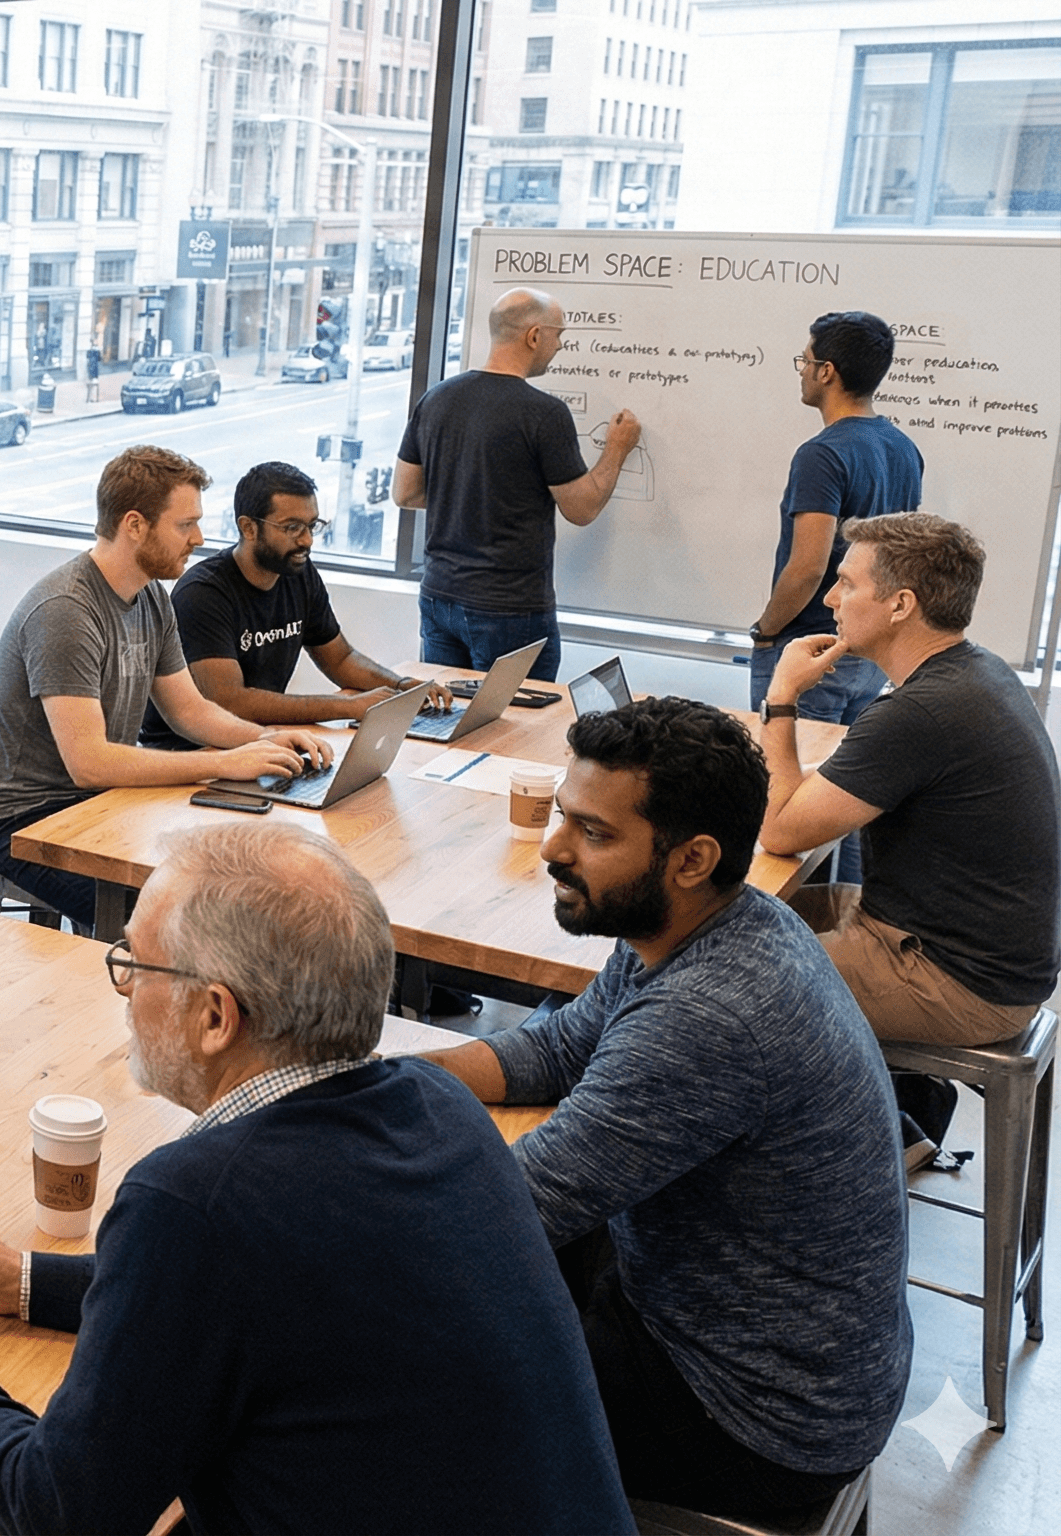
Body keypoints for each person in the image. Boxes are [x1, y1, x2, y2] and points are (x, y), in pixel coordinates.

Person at [0, 822, 633, 1535]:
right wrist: (25, 1279)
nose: (125, 985)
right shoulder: (438, 1103)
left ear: (214, 1017)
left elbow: (61, 1508)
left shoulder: (193, 1201)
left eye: (135, 962)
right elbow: (256, 1297)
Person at [424, 697, 910, 1517]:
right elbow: (557, 1048)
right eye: (562, 817)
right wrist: (376, 1082)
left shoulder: (710, 1017)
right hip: (762, 1344)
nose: (553, 848)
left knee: (373, 1394)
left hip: (749, 1419)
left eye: (594, 834)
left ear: (690, 859)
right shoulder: (705, 922)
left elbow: (502, 1213)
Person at [755, 513, 1059, 1148]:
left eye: (846, 584)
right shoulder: (976, 673)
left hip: (953, 980)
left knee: (719, 981)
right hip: (971, 951)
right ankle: (893, 1123)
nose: (831, 599)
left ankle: (839, 1153)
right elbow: (838, 787)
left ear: (900, 604)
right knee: (737, 916)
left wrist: (782, 698)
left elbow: (781, 832)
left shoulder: (920, 711)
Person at [0, 446, 336, 932]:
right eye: (185, 525)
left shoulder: (150, 596)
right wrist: (222, 762)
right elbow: (90, 763)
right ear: (135, 525)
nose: (199, 538)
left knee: (239, 885)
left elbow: (190, 710)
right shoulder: (66, 611)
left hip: (104, 800)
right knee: (184, 926)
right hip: (26, 821)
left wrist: (261, 738)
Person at [746, 310, 924, 886]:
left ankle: (789, 947)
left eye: (804, 361)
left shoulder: (821, 454)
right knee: (840, 808)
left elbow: (808, 566)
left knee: (787, 815)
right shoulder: (902, 447)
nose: (800, 372)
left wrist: (767, 630)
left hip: (808, 651)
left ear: (826, 371)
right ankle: (836, 923)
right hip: (867, 651)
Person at [394, 286, 644, 680]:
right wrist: (617, 449)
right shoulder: (543, 414)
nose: (560, 346)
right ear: (533, 336)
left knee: (443, 723)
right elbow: (581, 509)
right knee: (516, 731)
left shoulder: (436, 399)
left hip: (439, 596)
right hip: (510, 610)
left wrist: (469, 495)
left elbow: (404, 492)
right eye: (558, 334)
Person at [138, 460, 449, 749]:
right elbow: (230, 702)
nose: (307, 541)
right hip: (192, 752)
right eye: (292, 528)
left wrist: (401, 685)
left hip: (264, 741)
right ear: (248, 528)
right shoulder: (202, 593)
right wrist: (348, 706)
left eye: (312, 525)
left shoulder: (296, 573)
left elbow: (339, 659)